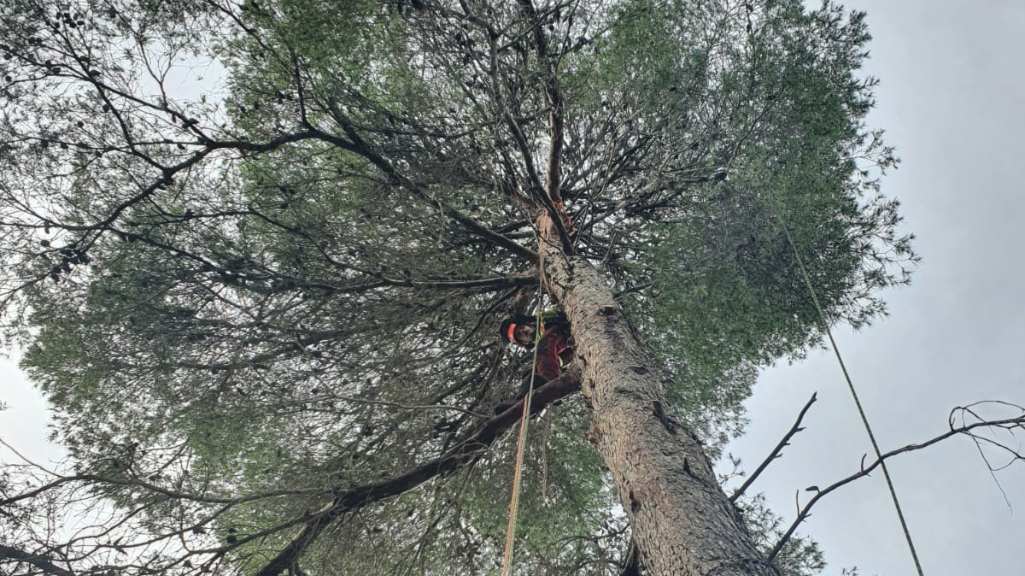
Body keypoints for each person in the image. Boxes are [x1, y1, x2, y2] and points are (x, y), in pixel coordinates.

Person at [499, 310, 573, 384]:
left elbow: (558, 311)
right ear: (524, 342)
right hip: (567, 346)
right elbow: (562, 358)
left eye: (521, 328)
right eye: (519, 334)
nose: (523, 331)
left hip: (563, 330)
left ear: (526, 323)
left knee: (542, 347)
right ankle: (535, 391)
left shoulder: (541, 319)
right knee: (531, 371)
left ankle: (551, 384)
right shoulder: (538, 351)